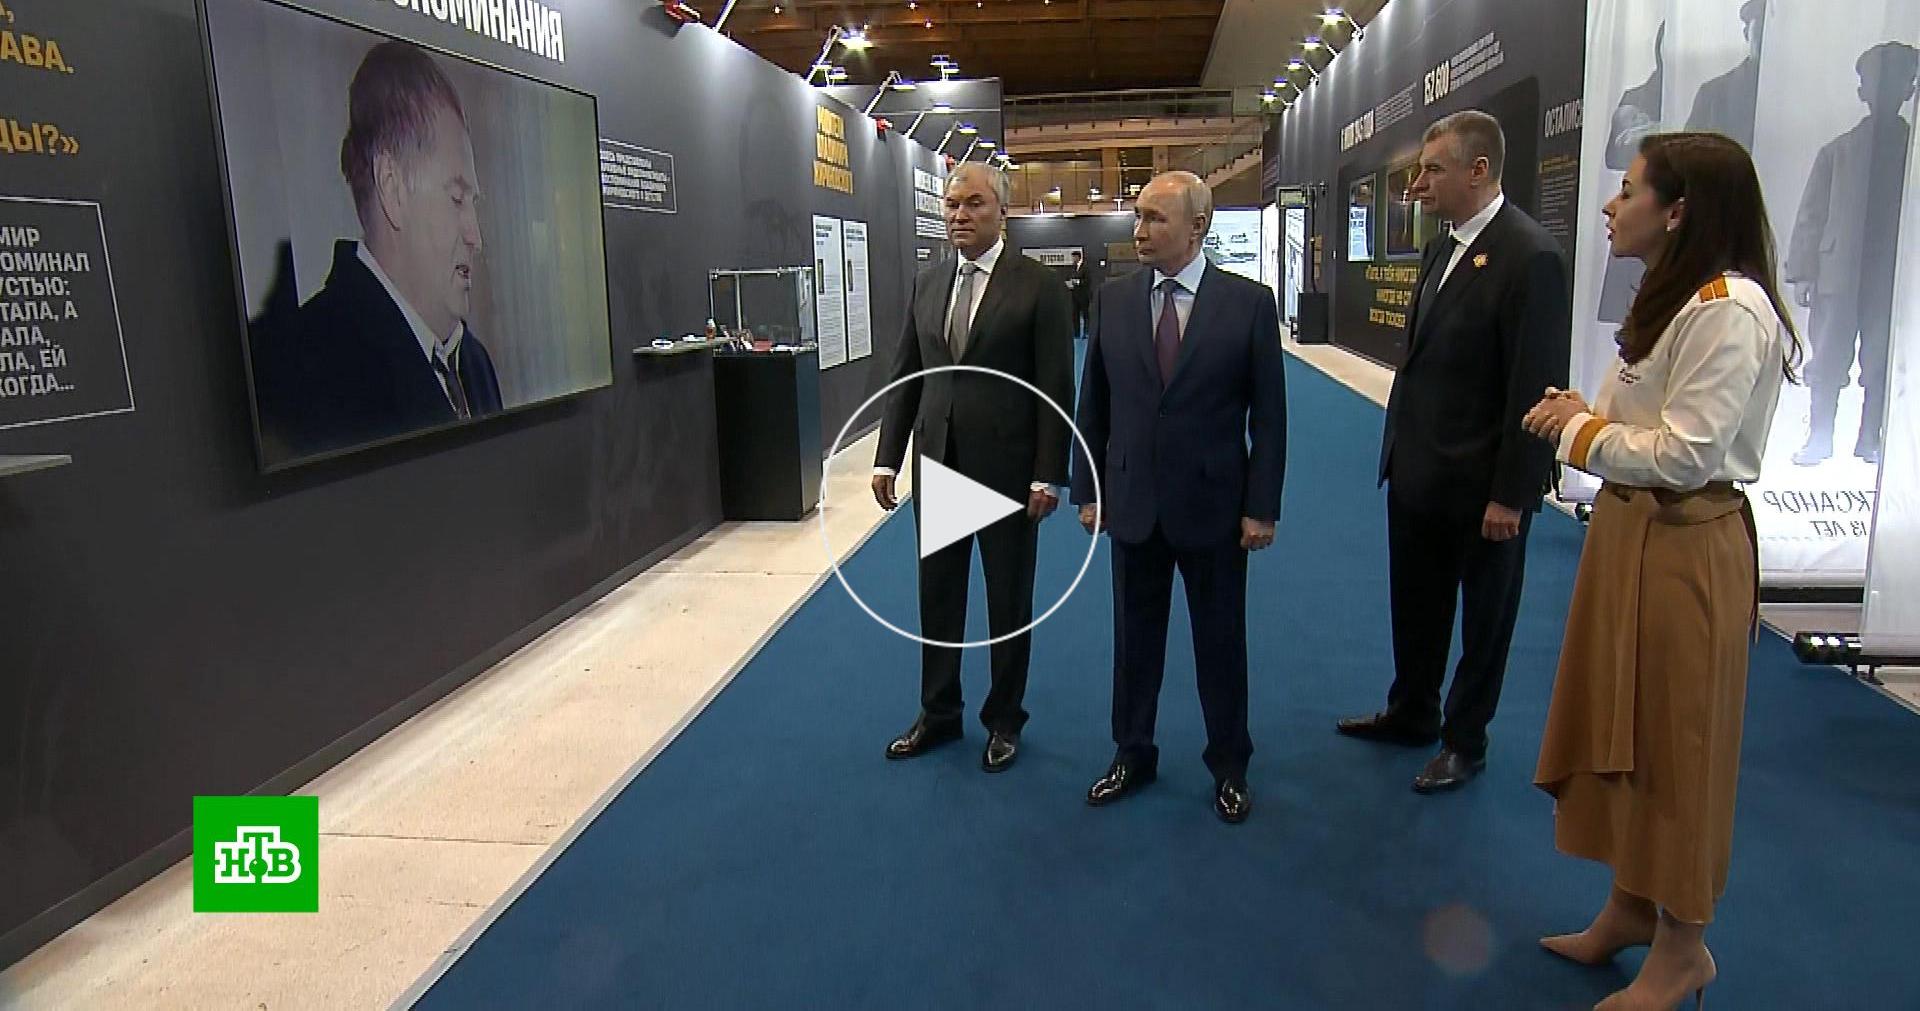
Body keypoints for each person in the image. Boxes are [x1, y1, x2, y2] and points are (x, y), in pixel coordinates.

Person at [1523, 131, 1799, 1011]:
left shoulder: (1728, 307)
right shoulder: (1674, 297)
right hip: (1633, 534)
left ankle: (1684, 947)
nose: (1611, 206)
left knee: (1681, 748)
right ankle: (1632, 907)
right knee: (1626, 728)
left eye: (1629, 190)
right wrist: (1587, 416)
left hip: (1686, 544)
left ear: (1678, 211)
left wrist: (1579, 432)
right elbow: (1641, 422)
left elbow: (1686, 454)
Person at [1337, 110, 1570, 793]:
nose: (1418, 184)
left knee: (1485, 622)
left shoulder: (1530, 256)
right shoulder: (1441, 249)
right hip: (1418, 474)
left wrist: (1512, 494)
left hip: (1483, 489)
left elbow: (1535, 384)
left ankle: (1465, 740)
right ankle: (1412, 711)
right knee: (1416, 605)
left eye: (1433, 169)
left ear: (1479, 170)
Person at [1070, 171, 1287, 823]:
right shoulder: (1112, 300)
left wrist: (1261, 506)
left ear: (1198, 227)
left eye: (1155, 218)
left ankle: (1230, 763)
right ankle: (1132, 751)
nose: (1139, 229)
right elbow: (1093, 404)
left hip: (1214, 508)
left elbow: (1269, 418)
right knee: (1134, 642)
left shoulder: (1248, 304)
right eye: (1137, 216)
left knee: (1220, 642)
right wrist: (1088, 489)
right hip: (1132, 503)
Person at [873, 163, 1075, 772]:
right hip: (938, 465)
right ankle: (938, 713)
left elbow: (1055, 386)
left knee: (1008, 602)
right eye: (952, 204)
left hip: (1010, 473)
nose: (960, 215)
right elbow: (908, 374)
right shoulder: (928, 282)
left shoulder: (1038, 287)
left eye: (974, 204)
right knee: (938, 598)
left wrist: (1048, 472)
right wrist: (887, 458)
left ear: (1002, 211)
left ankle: (1004, 719)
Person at [251, 41, 501, 462]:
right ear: (392, 188)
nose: (475, 236)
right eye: (456, 199)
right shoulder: (301, 373)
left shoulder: (474, 364)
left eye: (472, 203)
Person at [1785, 41, 1918, 466]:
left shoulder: (1912, 151)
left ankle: (1870, 437)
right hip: (1838, 273)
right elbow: (1812, 213)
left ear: (1909, 88)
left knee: (1880, 361)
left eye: (1897, 80)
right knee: (1828, 357)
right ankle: (1819, 436)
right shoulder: (1838, 151)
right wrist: (1804, 272)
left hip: (1890, 278)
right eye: (1876, 81)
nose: (1885, 89)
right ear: (1862, 89)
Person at [1685, 0, 1765, 151]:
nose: (1767, 39)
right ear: (1746, 33)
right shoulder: (1713, 95)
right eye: (1762, 27)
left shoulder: (1799, 96)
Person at [1068, 250, 1092, 338]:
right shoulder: (1073, 268)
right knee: (1075, 315)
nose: (1073, 259)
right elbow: (1070, 278)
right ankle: (1076, 333)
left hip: (1084, 295)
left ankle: (1086, 332)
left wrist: (1078, 282)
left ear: (1078, 257)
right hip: (1075, 295)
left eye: (1074, 257)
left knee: (1085, 315)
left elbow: (1088, 280)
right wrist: (1070, 283)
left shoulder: (1085, 267)